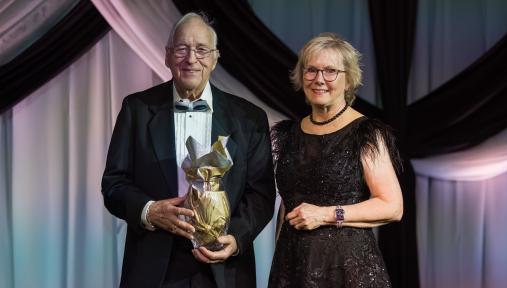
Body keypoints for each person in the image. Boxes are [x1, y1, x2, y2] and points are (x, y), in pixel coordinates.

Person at [102, 12, 276, 288]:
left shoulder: (249, 117)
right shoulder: (136, 109)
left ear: (216, 57)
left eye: (202, 49)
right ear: (168, 56)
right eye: (182, 49)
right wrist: (149, 211)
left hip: (224, 267)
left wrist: (237, 237)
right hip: (153, 268)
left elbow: (262, 193)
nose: (191, 59)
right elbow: (113, 184)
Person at [268, 33, 403, 288]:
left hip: (348, 272)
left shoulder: (365, 133)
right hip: (292, 269)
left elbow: (393, 206)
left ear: (348, 79)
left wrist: (326, 215)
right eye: (311, 70)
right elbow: (288, 205)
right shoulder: (288, 135)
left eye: (330, 71)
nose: (319, 79)